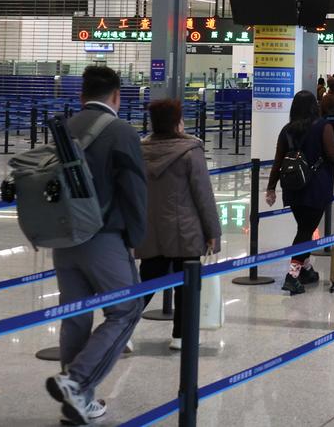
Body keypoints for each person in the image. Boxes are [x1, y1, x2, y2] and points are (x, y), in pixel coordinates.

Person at [46, 65, 148, 425]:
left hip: (64, 239)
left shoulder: (65, 127)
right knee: (125, 310)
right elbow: (134, 191)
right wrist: (136, 239)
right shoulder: (122, 132)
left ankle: (79, 402)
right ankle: (76, 382)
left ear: (81, 95)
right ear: (117, 95)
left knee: (75, 316)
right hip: (103, 239)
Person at [136, 99, 221, 351]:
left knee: (146, 282)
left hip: (151, 230)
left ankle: (120, 329)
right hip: (185, 232)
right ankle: (181, 336)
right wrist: (212, 232)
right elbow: (203, 195)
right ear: (177, 123)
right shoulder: (190, 151)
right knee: (187, 285)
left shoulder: (140, 151)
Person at [266, 91, 334, 294]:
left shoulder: (287, 130)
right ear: (315, 106)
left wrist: (271, 187)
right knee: (306, 230)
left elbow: (278, 161)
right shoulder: (323, 126)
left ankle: (306, 269)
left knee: (304, 227)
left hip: (292, 186)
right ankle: (292, 275)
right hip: (316, 187)